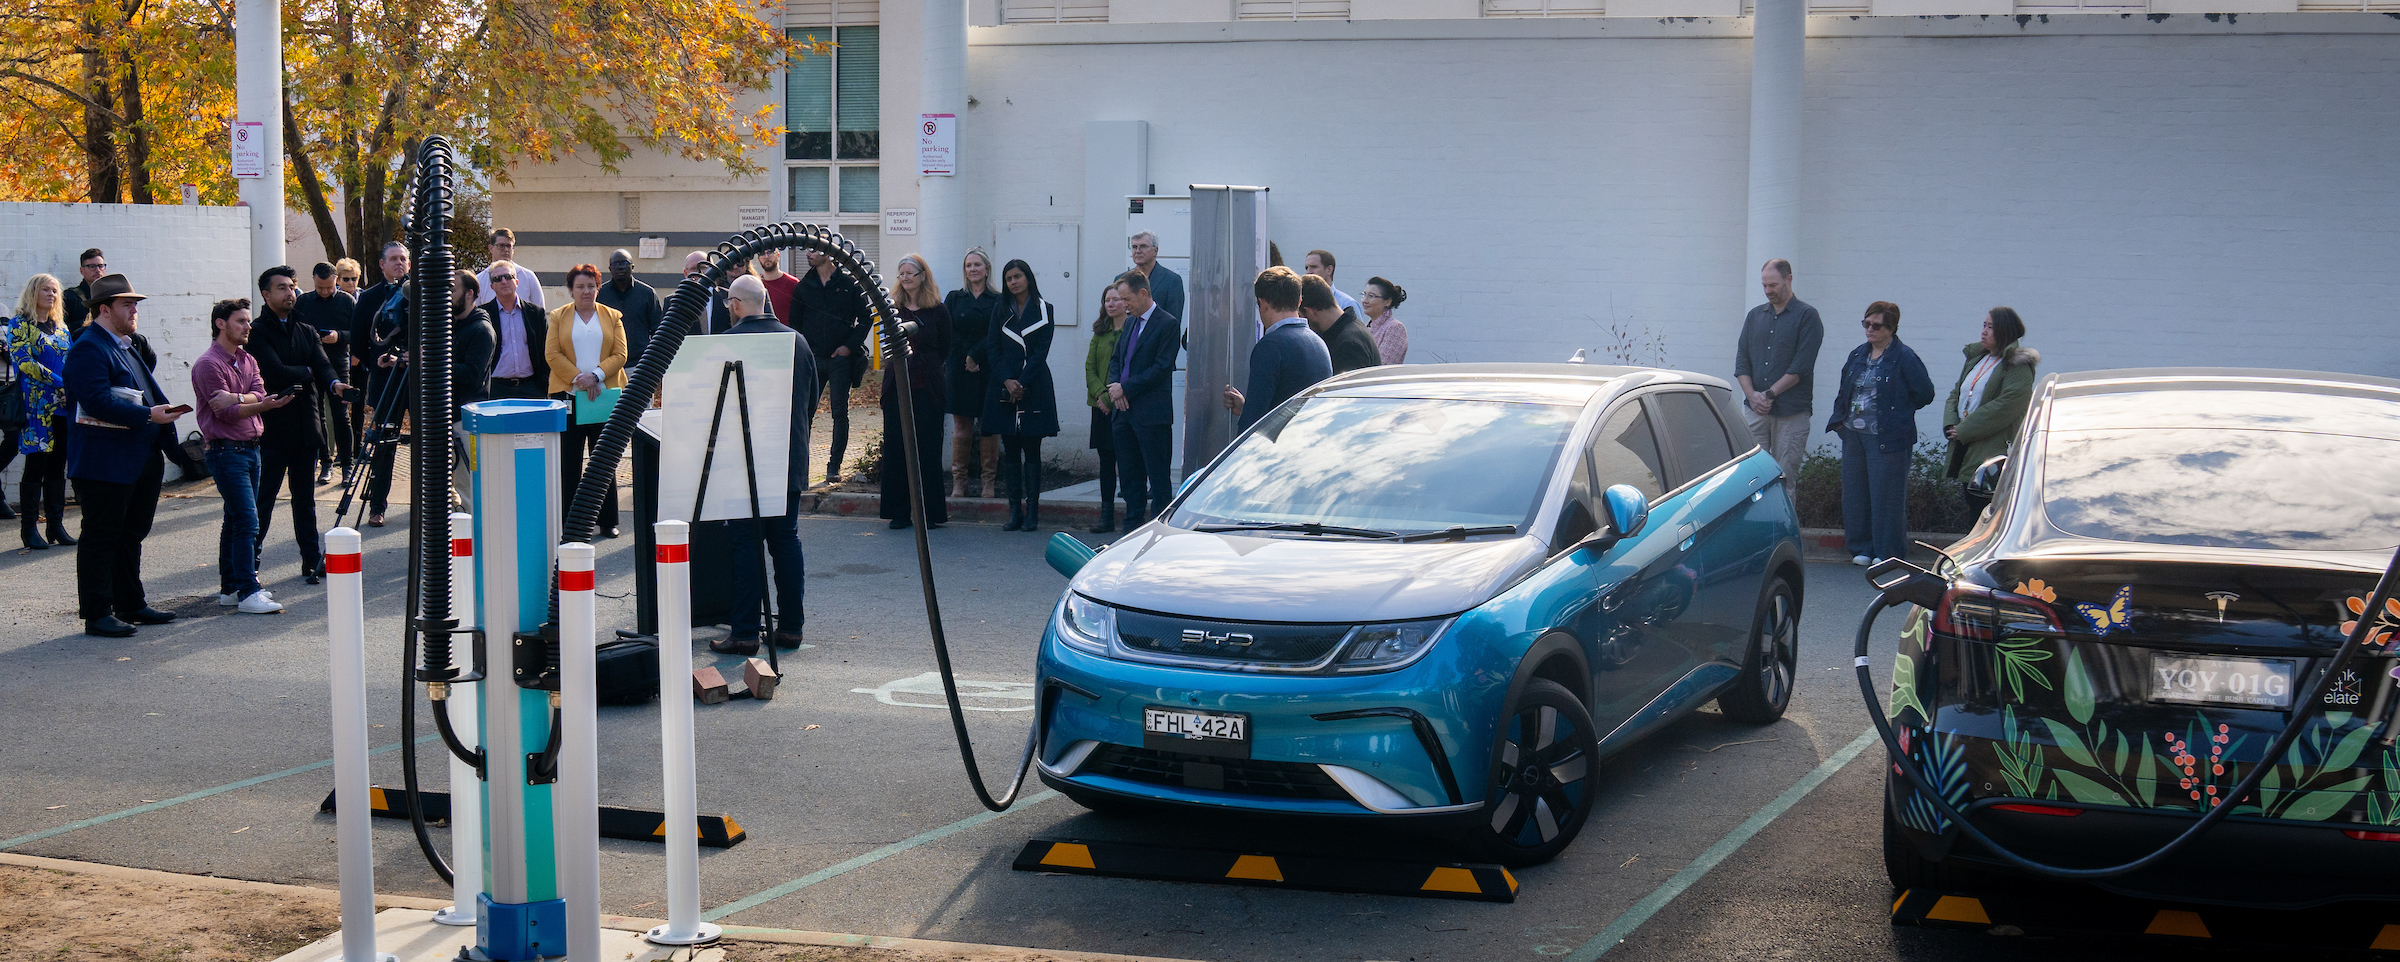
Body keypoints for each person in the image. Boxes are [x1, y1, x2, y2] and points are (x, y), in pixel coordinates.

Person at [61, 273, 184, 637]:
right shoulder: (88, 346)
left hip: (140, 454)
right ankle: (97, 613)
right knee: (102, 536)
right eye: (127, 305)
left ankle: (130, 602)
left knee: (131, 533)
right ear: (104, 309)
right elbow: (96, 401)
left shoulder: (126, 345)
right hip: (105, 461)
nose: (134, 311)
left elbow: (146, 392)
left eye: (135, 305)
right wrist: (148, 415)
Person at [716, 273, 818, 655]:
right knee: (786, 540)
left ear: (737, 304)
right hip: (787, 456)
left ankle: (744, 632)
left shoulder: (726, 343)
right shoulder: (797, 341)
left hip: (742, 461)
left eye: (729, 303)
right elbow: (810, 399)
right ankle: (791, 626)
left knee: (746, 546)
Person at [248, 266, 349, 584]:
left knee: (305, 498)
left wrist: (334, 385)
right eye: (281, 288)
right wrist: (307, 373)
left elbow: (322, 363)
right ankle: (251, 559)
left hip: (306, 424)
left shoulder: (305, 326)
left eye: (292, 287)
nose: (289, 293)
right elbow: (274, 371)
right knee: (264, 498)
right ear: (266, 294)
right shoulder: (258, 331)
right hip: (273, 428)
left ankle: (310, 559)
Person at [192, 298, 293, 614]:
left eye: (248, 321)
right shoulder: (208, 365)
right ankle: (250, 590)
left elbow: (258, 395)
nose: (248, 326)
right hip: (226, 452)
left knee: (235, 519)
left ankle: (231, 588)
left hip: (251, 450)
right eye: (240, 321)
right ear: (221, 324)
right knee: (248, 520)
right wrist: (253, 402)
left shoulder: (247, 359)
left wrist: (243, 398)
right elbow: (226, 412)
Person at [1827, 301, 1935, 566]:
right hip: (1854, 435)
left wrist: (1898, 411)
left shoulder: (1904, 357)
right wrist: (1841, 422)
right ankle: (1861, 548)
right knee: (1855, 493)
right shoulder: (1857, 355)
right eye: (1866, 324)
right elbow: (1845, 389)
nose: (1870, 330)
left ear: (1891, 328)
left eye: (1877, 325)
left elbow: (1925, 393)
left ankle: (1887, 552)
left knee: (1886, 495)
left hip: (1887, 438)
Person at [545, 264, 628, 538]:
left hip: (603, 396)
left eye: (591, 286)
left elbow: (621, 353)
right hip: (569, 396)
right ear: (570, 290)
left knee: (603, 460)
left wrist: (596, 376)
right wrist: (580, 379)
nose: (586, 291)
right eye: (580, 287)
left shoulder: (612, 315)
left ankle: (607, 520)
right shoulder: (558, 316)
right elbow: (552, 354)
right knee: (568, 461)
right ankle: (569, 521)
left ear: (598, 288)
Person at [975, 258, 1056, 532]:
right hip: (1003, 385)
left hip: (1034, 385)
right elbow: (992, 348)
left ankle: (1032, 512)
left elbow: (1041, 351)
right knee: (1010, 451)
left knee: (1032, 450)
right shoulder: (1000, 310)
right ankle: (1014, 512)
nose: (1013, 282)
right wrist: (1007, 381)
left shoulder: (1045, 309)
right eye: (1009, 278)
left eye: (1018, 276)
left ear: (1028, 278)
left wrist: (1021, 382)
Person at [1734, 258, 1823, 490]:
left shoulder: (1807, 316)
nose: (1767, 291)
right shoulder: (1755, 316)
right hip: (1755, 411)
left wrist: (1769, 394)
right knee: (1750, 477)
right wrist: (1753, 396)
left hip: (1792, 413)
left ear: (1788, 279)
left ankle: (1783, 526)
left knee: (1784, 479)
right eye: (1764, 285)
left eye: (1773, 285)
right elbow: (1742, 362)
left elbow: (1801, 367)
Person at [1943, 307, 2039, 517]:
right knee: (1971, 506)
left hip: (1991, 447)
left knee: (1986, 511)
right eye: (1984, 325)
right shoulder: (1978, 359)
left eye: (1991, 327)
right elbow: (1956, 392)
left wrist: (1965, 429)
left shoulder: (2018, 365)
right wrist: (1951, 424)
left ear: (2005, 331)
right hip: (1965, 442)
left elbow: (2007, 405)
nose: (1984, 332)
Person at [1105, 269, 1179, 527]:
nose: (1123, 306)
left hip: (1151, 413)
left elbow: (1161, 368)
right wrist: (1115, 387)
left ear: (1143, 293)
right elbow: (1117, 360)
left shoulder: (1167, 323)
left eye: (1127, 300)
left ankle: (1160, 528)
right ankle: (1132, 525)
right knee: (1129, 473)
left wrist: (1126, 388)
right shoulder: (1130, 323)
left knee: (1157, 476)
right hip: (1123, 412)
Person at [882, 255, 952, 530]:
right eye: (901, 273)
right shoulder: (892, 308)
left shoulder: (938, 310)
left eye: (911, 272)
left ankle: (928, 512)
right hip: (897, 386)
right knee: (897, 448)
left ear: (923, 275)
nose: (906, 277)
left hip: (928, 387)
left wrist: (927, 364)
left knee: (927, 449)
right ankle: (899, 512)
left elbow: (945, 346)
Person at [1223, 267, 1332, 432]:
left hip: (1279, 450)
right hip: (1310, 443)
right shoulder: (1318, 343)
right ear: (1299, 301)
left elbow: (1253, 420)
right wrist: (1246, 409)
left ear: (1263, 303)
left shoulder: (1270, 346)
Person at [10, 274, 76, 548]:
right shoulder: (19, 324)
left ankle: (56, 526)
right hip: (36, 406)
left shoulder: (61, 327)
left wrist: (70, 386)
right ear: (33, 293)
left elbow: (71, 360)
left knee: (57, 466)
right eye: (46, 290)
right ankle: (29, 530)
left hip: (62, 405)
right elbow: (23, 361)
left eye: (55, 291)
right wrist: (61, 383)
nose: (52, 295)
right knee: (36, 464)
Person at [794, 248, 868, 483]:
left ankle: (833, 466)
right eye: (806, 249)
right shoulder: (804, 286)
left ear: (829, 253)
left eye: (814, 249)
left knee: (840, 412)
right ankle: (801, 467)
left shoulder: (849, 284)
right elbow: (794, 324)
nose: (808, 253)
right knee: (805, 413)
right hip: (813, 358)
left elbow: (866, 318)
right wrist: (805, 351)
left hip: (840, 359)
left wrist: (850, 346)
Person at [353, 243, 411, 526]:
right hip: (386, 379)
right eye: (393, 259)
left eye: (403, 259)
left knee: (429, 443)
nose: (399, 263)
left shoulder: (420, 294)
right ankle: (378, 506)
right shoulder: (370, 297)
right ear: (381, 264)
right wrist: (381, 359)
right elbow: (359, 341)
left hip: (418, 379)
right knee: (385, 444)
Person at [943, 248, 1003, 498]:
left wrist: (976, 356)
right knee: (961, 423)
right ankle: (960, 482)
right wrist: (966, 357)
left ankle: (988, 483)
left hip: (989, 365)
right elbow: (947, 330)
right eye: (968, 265)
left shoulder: (999, 299)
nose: (973, 269)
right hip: (959, 366)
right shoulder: (955, 298)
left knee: (988, 423)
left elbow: (997, 332)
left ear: (987, 269)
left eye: (977, 265)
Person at [296, 262, 358, 484]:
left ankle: (347, 465)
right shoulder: (303, 302)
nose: (325, 292)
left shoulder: (346, 301)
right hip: (312, 364)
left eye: (329, 288)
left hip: (339, 362)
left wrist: (338, 336)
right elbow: (297, 332)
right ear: (313, 280)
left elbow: (357, 333)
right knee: (318, 415)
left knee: (341, 416)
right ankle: (326, 463)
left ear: (336, 281)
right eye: (321, 288)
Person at [446, 269, 498, 511]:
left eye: (452, 289)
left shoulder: (481, 330)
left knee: (466, 489)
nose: (447, 295)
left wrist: (434, 362)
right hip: (446, 417)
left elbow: (472, 375)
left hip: (464, 422)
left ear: (470, 294)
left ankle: (472, 543)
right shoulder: (450, 325)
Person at [1081, 285, 1126, 533]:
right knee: (1106, 462)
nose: (1111, 304)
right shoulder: (1100, 332)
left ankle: (1132, 513)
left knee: (1127, 460)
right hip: (1100, 406)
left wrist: (1110, 398)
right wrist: (1100, 394)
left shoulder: (1131, 330)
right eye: (1107, 300)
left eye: (1116, 300)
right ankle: (1106, 514)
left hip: (1121, 405)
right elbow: (1090, 367)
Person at [483, 260, 550, 400]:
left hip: (531, 388)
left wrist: (542, 385)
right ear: (492, 286)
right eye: (497, 278)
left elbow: (546, 350)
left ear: (517, 282)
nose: (503, 281)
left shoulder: (535, 313)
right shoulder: (484, 314)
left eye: (508, 277)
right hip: (496, 390)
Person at [597, 249, 666, 371]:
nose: (620, 267)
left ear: (632, 267)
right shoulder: (600, 295)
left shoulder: (647, 293)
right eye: (616, 264)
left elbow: (658, 330)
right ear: (609, 269)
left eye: (624, 263)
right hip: (607, 365)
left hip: (640, 364)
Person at [1302, 275, 1379, 374]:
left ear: (1310, 313)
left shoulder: (1349, 344)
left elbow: (1347, 389)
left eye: (1301, 316)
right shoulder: (1351, 330)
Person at [474, 228, 546, 309]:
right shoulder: (480, 280)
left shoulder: (528, 277)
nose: (506, 250)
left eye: (508, 246)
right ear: (491, 248)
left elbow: (539, 309)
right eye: (501, 246)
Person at [1129, 232, 1184, 324]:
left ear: (1155, 250)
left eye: (1143, 246)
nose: (1138, 251)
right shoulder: (1122, 280)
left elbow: (1173, 322)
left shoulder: (1171, 280)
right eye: (1134, 247)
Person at [1361, 276, 1409, 365]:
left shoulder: (1395, 328)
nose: (1365, 300)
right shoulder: (1364, 328)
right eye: (1364, 294)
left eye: (1371, 296)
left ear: (1387, 302)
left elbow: (1383, 367)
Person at [1302, 249, 1359, 314]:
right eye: (1306, 268)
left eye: (1314, 267)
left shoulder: (1347, 304)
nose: (1308, 272)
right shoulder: (1302, 302)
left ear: (1329, 270)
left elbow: (1355, 324)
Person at [62, 248, 105, 332]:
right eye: (92, 266)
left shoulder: (112, 297)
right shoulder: (69, 296)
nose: (98, 270)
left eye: (100, 266)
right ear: (82, 271)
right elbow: (60, 329)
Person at [756, 249, 800, 324]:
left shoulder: (793, 284)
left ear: (778, 255)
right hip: (762, 334)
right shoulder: (755, 285)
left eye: (770, 252)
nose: (766, 257)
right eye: (762, 254)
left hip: (787, 334)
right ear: (758, 259)